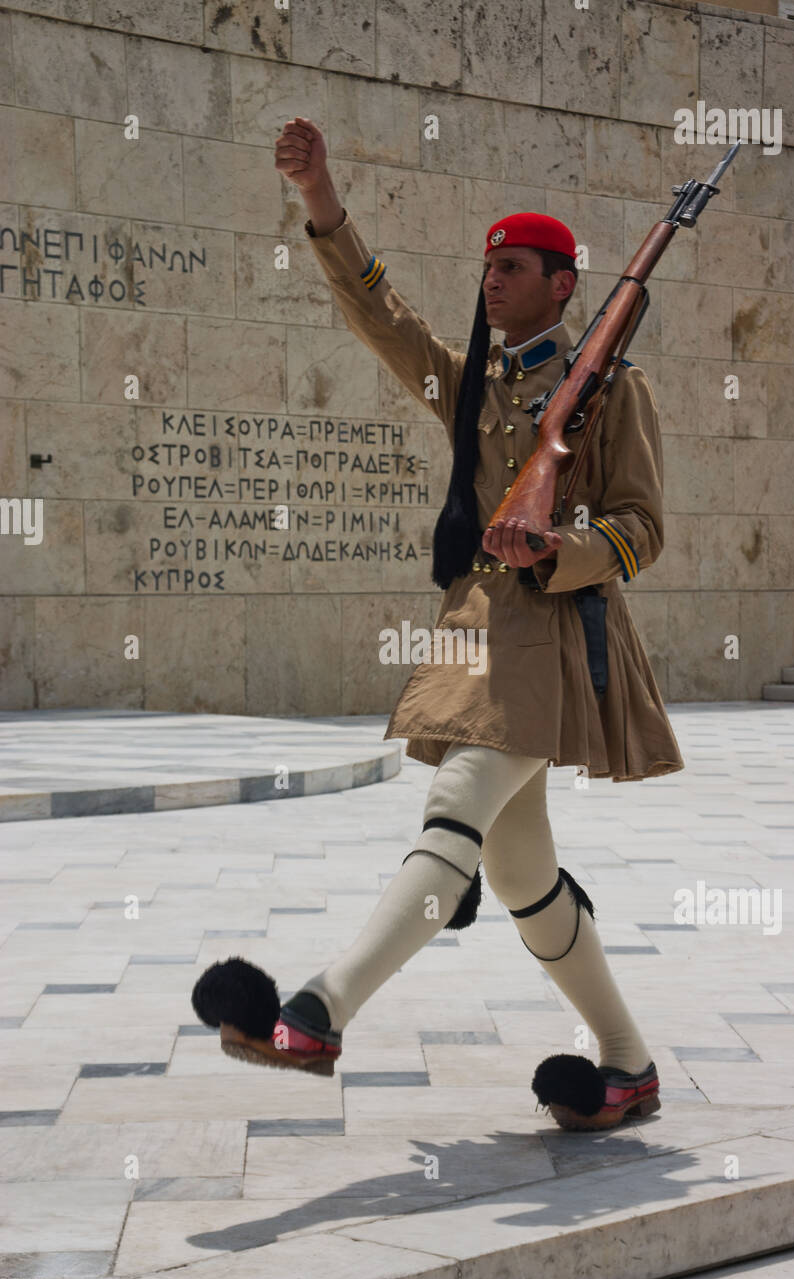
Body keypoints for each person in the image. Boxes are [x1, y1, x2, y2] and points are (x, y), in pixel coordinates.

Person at [190, 117, 685, 1133]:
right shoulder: (471, 385)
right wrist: (321, 199)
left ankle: (319, 1011)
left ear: (563, 286)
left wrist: (560, 547)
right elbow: (380, 315)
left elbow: (641, 528)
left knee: (455, 808)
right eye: (489, 266)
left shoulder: (613, 394)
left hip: (548, 634)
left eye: (513, 267)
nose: (492, 280)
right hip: (472, 627)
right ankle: (626, 1069)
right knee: (514, 869)